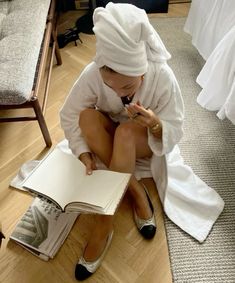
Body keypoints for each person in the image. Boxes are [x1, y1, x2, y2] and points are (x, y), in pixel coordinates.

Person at [60, 2, 224, 281]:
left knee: (125, 133)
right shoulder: (93, 74)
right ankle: (135, 190)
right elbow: (69, 113)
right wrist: (81, 151)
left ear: (143, 70)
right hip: (115, 137)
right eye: (110, 85)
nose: (119, 93)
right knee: (87, 117)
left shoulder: (162, 76)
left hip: (143, 139)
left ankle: (104, 220)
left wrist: (155, 125)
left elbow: (176, 127)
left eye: (127, 86)